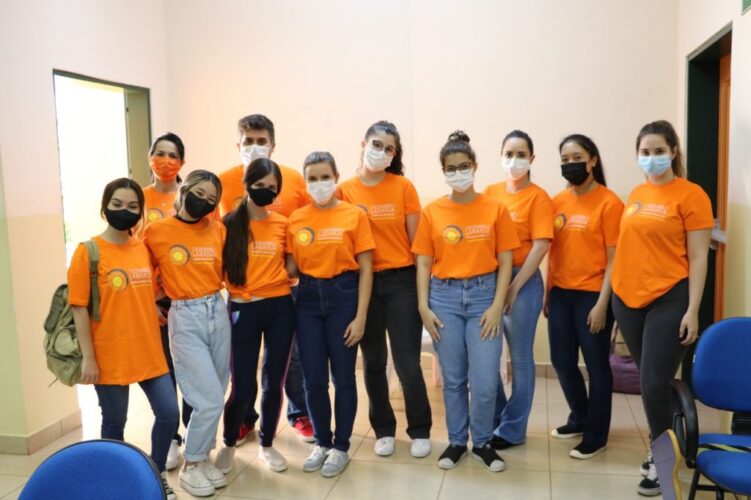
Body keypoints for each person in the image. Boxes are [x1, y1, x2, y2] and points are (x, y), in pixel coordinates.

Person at [611, 120, 712, 496]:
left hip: (670, 298)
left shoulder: (692, 195)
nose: (651, 158)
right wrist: (616, 297)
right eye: (644, 152)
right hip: (628, 300)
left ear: (673, 152)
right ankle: (670, 442)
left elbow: (699, 257)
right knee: (653, 382)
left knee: (653, 383)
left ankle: (662, 460)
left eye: (658, 151)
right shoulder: (637, 193)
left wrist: (693, 309)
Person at [413, 131, 519, 472]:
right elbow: (424, 263)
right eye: (450, 168)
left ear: (474, 166)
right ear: (443, 171)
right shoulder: (433, 211)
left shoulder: (495, 209)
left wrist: (497, 304)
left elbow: (506, 261)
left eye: (463, 166)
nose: (457, 173)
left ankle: (483, 441)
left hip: (484, 296)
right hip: (443, 298)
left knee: (486, 380)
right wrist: (423, 306)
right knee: (454, 378)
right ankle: (458, 441)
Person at [68, 177, 178, 499]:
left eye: (132, 206)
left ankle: (156, 473)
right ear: (105, 208)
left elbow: (145, 290)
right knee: (115, 422)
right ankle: (114, 482)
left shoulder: (142, 248)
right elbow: (79, 308)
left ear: (140, 211)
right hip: (109, 353)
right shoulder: (88, 252)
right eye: (117, 204)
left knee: (169, 413)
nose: (124, 211)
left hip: (148, 349)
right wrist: (89, 358)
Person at [338, 120, 432, 459]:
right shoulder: (344, 191)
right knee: (374, 360)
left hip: (401, 282)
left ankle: (420, 429)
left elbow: (418, 244)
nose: (381, 152)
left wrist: (423, 293)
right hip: (363, 283)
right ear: (363, 144)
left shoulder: (403, 187)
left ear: (394, 155)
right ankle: (384, 429)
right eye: (376, 144)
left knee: (407, 362)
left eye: (389, 148)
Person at [217, 114, 313, 444]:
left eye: (262, 141)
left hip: (283, 292)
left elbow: (305, 224)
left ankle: (299, 413)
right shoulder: (223, 182)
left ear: (273, 145)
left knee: (289, 361)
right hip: (242, 294)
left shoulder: (293, 179)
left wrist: (287, 272)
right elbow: (212, 235)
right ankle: (244, 418)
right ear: (238, 144)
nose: (255, 146)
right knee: (242, 369)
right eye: (249, 141)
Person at [143, 170, 230, 498]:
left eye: (211, 199)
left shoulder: (217, 230)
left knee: (218, 388)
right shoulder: (157, 231)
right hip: (185, 312)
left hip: (216, 308)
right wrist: (153, 301)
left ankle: (203, 456)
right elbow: (144, 269)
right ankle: (191, 463)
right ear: (185, 190)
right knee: (206, 397)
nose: (204, 201)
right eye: (199, 193)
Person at [287, 151, 375, 478]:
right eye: (312, 178)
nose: (319, 183)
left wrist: (361, 316)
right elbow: (290, 267)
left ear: (336, 178)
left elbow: (367, 269)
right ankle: (322, 442)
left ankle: (341, 447)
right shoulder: (296, 219)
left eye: (325, 177)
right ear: (305, 181)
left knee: (344, 377)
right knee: (313, 379)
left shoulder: (354, 215)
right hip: (307, 298)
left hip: (344, 296)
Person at [214, 159, 297, 473]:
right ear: (247, 185)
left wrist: (278, 274)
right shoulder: (228, 223)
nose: (265, 191)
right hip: (242, 308)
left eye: (271, 187)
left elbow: (293, 264)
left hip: (280, 308)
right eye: (259, 185)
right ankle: (228, 443)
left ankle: (267, 444)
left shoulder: (283, 224)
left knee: (274, 382)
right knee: (243, 385)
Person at [546, 134, 624, 460]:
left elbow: (615, 259)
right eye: (565, 160)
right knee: (562, 362)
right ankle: (579, 417)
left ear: (592, 160)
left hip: (593, 294)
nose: (570, 164)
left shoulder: (610, 203)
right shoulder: (557, 202)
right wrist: (548, 292)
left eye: (577, 158)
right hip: (561, 293)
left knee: (596, 366)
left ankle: (596, 435)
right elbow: (553, 253)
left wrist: (603, 304)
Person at [483, 130, 553, 449]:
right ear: (501, 156)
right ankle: (497, 418)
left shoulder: (538, 197)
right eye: (509, 154)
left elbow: (540, 246)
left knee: (521, 358)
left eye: (521, 155)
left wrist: (512, 288)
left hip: (523, 282)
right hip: (491, 280)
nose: (514, 160)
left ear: (532, 159)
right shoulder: (490, 193)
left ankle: (513, 429)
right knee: (488, 355)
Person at [138, 132, 193, 471]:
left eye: (173, 155)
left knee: (190, 368)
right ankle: (170, 436)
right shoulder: (139, 198)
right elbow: (131, 250)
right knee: (165, 370)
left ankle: (194, 432)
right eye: (160, 153)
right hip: (153, 301)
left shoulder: (192, 196)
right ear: (150, 158)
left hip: (187, 298)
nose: (166, 160)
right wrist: (151, 299)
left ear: (182, 162)